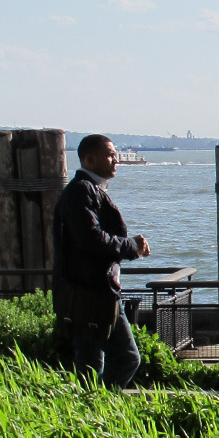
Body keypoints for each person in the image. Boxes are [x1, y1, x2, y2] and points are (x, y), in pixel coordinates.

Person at [53, 134, 151, 387]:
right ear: (89, 159)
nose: (116, 160)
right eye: (110, 155)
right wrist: (132, 246)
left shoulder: (87, 190)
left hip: (85, 292)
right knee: (127, 358)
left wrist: (130, 246)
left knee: (89, 363)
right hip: (93, 295)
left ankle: (89, 412)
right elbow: (93, 239)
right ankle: (101, 406)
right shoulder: (81, 192)